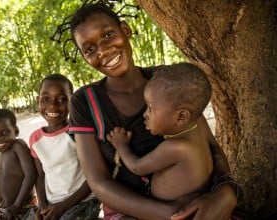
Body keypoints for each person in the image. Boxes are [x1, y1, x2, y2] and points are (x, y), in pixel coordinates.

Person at [65, 2, 241, 220]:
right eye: (89, 49)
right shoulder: (85, 102)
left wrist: (226, 192)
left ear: (125, 30)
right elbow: (98, 182)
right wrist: (172, 215)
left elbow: (209, 144)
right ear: (84, 57)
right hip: (134, 212)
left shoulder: (168, 80)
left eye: (108, 34)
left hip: (200, 206)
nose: (102, 50)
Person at [107, 63, 214, 215]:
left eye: (150, 108)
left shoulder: (175, 147)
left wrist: (122, 146)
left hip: (176, 213)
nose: (145, 114)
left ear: (181, 117)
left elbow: (137, 167)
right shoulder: (196, 134)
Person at [29, 73, 100, 220]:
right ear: (38, 101)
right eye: (46, 99)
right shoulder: (35, 139)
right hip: (52, 202)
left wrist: (63, 207)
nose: (53, 105)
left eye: (62, 99)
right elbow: (40, 175)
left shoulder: (78, 133)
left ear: (71, 102)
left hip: (83, 200)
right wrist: (42, 205)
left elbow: (94, 176)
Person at [0, 109, 37, 220]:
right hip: (1, 207)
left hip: (21, 206)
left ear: (15, 131)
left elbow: (30, 175)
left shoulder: (18, 146)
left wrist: (16, 205)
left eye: (5, 132)